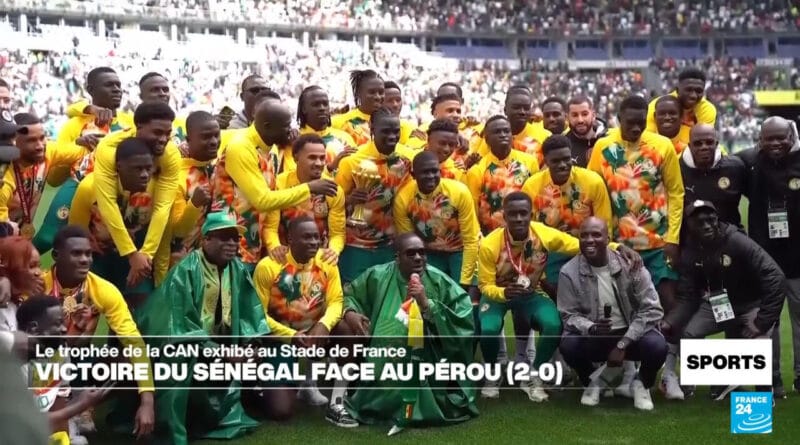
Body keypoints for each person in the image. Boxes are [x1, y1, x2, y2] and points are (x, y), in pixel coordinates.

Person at [134, 212, 269, 445]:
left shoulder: (237, 269)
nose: (232, 244)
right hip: (179, 345)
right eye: (224, 237)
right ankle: (169, 430)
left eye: (235, 239)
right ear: (205, 239)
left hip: (220, 345)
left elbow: (251, 314)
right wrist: (221, 352)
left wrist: (250, 347)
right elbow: (178, 329)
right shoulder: (185, 271)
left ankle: (212, 417)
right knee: (178, 359)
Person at [588, 95, 684, 396]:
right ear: (618, 117)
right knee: (623, 311)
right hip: (618, 245)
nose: (635, 128)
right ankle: (628, 376)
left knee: (668, 307)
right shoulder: (603, 147)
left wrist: (672, 238)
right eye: (630, 122)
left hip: (657, 243)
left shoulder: (661, 146)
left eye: (641, 122)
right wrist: (605, 243)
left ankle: (668, 374)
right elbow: (594, 191)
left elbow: (676, 193)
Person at [340, 232, 477, 430]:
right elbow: (350, 295)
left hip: (428, 357)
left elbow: (463, 314)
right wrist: (350, 313)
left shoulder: (438, 280)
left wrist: (428, 305)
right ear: (397, 257)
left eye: (422, 253)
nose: (418, 258)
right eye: (410, 253)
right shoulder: (377, 275)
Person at [662, 200, 785, 400]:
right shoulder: (691, 250)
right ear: (689, 225)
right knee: (688, 333)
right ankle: (723, 382)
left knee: (759, 342)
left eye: (711, 220)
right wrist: (671, 321)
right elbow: (688, 294)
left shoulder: (736, 241)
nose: (707, 225)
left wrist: (762, 321)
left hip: (751, 305)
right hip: (719, 304)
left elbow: (775, 277)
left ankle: (764, 395)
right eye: (700, 222)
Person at [43, 225, 154, 438]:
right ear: (56, 256)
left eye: (88, 254)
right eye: (76, 253)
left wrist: (147, 400)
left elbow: (134, 343)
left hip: (78, 362)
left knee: (125, 361)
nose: (85, 260)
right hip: (41, 366)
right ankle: (57, 408)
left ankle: (91, 408)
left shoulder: (103, 289)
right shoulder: (39, 286)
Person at [213, 98, 338, 268]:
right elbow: (262, 201)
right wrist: (309, 188)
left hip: (252, 246)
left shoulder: (270, 148)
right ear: (267, 126)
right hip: (229, 246)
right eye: (285, 125)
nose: (290, 129)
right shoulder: (241, 147)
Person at [557, 217, 667, 411]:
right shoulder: (569, 271)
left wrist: (624, 342)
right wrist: (590, 327)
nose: (589, 240)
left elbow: (652, 309)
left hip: (630, 333)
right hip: (597, 335)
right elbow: (568, 315)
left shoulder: (631, 264)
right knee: (569, 345)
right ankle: (593, 381)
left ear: (608, 239)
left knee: (657, 347)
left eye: (596, 235)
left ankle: (641, 383)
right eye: (584, 235)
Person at [477, 192, 577, 402]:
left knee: (552, 324)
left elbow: (579, 244)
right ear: (504, 216)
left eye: (523, 213)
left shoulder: (543, 234)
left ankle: (533, 375)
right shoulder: (489, 244)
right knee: (488, 327)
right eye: (513, 214)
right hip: (499, 294)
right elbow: (485, 285)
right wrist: (503, 292)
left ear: (531, 214)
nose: (519, 219)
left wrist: (615, 246)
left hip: (531, 293)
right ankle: (493, 373)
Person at [254, 216, 344, 415]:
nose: (313, 242)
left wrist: (325, 325)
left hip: (314, 332)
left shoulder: (327, 262)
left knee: (347, 328)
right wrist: (290, 336)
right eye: (306, 237)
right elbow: (257, 316)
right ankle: (260, 383)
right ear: (290, 240)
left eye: (316, 237)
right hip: (280, 338)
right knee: (281, 410)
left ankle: (325, 392)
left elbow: (336, 301)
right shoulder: (268, 266)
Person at [738, 117, 800, 394]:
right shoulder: (748, 163)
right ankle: (771, 380)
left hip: (799, 260)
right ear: (759, 139)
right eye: (769, 138)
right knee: (766, 323)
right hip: (764, 261)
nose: (775, 143)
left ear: (791, 136)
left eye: (780, 138)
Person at [89, 101, 178, 287]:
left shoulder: (170, 155)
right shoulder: (109, 148)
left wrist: (145, 255)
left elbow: (162, 208)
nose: (163, 139)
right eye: (157, 133)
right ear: (138, 127)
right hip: (98, 204)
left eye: (167, 134)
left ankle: (159, 287)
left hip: (141, 207)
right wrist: (131, 253)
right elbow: (107, 202)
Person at [68, 137, 163, 311]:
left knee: (138, 313)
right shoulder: (90, 187)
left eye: (148, 168)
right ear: (119, 167)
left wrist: (143, 257)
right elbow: (75, 231)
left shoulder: (158, 188)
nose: (144, 175)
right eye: (137, 168)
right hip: (97, 258)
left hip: (136, 259)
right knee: (81, 315)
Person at [16, 295, 114, 444]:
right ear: (33, 329)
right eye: (57, 323)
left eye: (63, 322)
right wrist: (81, 405)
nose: (64, 329)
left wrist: (64, 440)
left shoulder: (59, 352)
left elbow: (58, 399)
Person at [522, 135, 612, 292]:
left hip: (587, 251)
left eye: (566, 159)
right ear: (546, 161)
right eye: (555, 161)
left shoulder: (592, 181)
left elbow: (605, 227)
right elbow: (530, 234)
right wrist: (541, 276)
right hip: (549, 256)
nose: (563, 165)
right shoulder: (532, 186)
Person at [334, 107, 416, 282]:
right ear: (372, 130)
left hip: (388, 245)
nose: (392, 137)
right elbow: (332, 202)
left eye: (396, 131)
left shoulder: (405, 162)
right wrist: (349, 199)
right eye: (385, 131)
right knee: (354, 297)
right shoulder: (352, 162)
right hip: (355, 245)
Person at [394, 151, 479, 288]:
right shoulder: (403, 198)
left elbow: (471, 240)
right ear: (414, 174)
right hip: (429, 254)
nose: (431, 177)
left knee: (463, 297)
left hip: (460, 251)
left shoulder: (459, 192)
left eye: (435, 171)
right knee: (431, 294)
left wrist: (465, 281)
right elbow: (408, 242)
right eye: (425, 172)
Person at [0, 113, 86, 241]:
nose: (40, 146)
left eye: (42, 138)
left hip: (21, 229)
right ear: (14, 143)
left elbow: (82, 152)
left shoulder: (48, 151)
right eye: (31, 140)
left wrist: (83, 142)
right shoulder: (5, 176)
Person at [264, 134, 346, 265]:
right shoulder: (280, 184)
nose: (319, 163)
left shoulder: (333, 189)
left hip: (318, 259)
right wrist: (274, 247)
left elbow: (338, 233)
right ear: (296, 157)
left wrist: (333, 250)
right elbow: (270, 227)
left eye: (322, 158)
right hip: (285, 257)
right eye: (312, 157)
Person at [67, 72, 188, 145]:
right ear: (141, 96)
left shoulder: (183, 123)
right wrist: (91, 108)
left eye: (165, 89)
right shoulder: (134, 122)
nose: (162, 93)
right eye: (155, 90)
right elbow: (71, 109)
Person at [467, 115, 539, 235]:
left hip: (527, 234)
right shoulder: (477, 170)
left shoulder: (530, 162)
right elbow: (473, 211)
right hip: (492, 237)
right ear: (487, 139)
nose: (503, 134)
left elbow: (536, 201)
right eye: (497, 132)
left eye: (506, 131)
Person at [169, 110, 222, 265]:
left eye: (216, 135)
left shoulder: (220, 168)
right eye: (206, 137)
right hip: (179, 266)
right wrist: (194, 204)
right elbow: (177, 231)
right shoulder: (177, 177)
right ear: (188, 140)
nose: (213, 141)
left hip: (211, 263)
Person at [680, 124, 745, 227]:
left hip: (729, 235)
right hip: (692, 237)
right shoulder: (678, 169)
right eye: (698, 144)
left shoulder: (735, 167)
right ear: (689, 146)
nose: (704, 147)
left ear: (716, 144)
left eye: (709, 142)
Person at [472, 89, 551, 167]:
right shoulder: (489, 134)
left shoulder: (544, 137)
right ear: (505, 110)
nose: (522, 112)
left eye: (526, 108)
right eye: (516, 107)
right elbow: (479, 164)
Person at [647, 67, 717, 146]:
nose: (693, 95)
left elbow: (703, 142)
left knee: (720, 152)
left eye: (699, 91)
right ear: (677, 89)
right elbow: (647, 137)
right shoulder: (657, 105)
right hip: (659, 150)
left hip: (690, 152)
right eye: (688, 90)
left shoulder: (707, 109)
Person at [296, 86, 357, 174]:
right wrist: (331, 167)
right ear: (304, 109)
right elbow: (294, 174)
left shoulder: (345, 137)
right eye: (316, 104)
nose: (322, 108)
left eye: (325, 104)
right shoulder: (295, 139)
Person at [0, 236, 44, 331]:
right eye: (32, 266)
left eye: (39, 266)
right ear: (9, 268)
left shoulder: (18, 302)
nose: (38, 272)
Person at [332, 69, 385, 146]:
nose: (377, 97)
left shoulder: (392, 123)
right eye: (371, 92)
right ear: (358, 93)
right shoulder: (339, 122)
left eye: (381, 92)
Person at [564, 96, 608, 168]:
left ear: (593, 115)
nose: (580, 120)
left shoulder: (608, 139)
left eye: (584, 114)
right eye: (574, 115)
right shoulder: (563, 146)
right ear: (567, 118)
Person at [383, 81, 419, 145]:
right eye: (389, 101)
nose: (395, 105)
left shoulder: (412, 129)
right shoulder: (365, 130)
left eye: (398, 100)